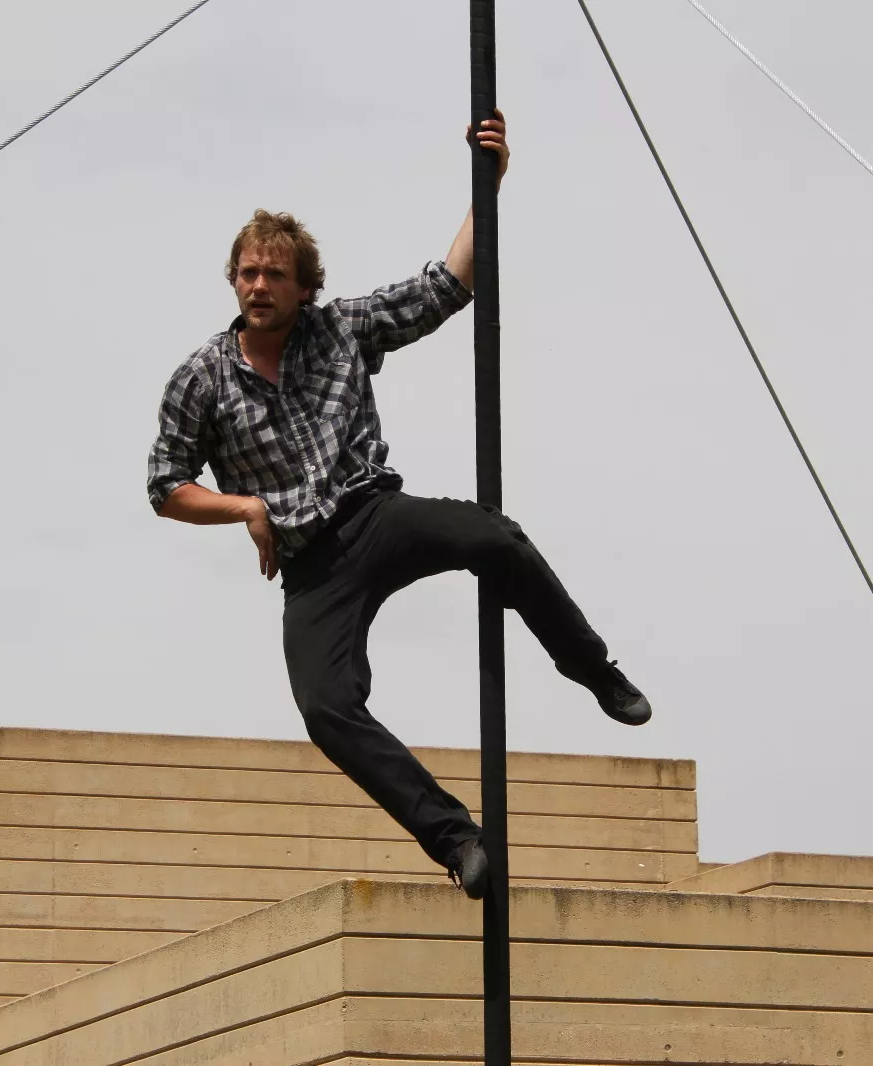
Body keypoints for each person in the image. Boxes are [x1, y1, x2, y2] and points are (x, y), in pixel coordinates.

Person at [147, 114, 651, 899]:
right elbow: (164, 486)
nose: (258, 286)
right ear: (232, 281)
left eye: (275, 275)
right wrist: (242, 505)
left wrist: (491, 183)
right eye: (247, 273)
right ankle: (456, 840)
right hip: (311, 566)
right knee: (326, 709)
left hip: (375, 513)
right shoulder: (201, 379)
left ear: (304, 285)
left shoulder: (340, 328)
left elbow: (449, 284)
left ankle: (594, 669)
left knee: (497, 539)